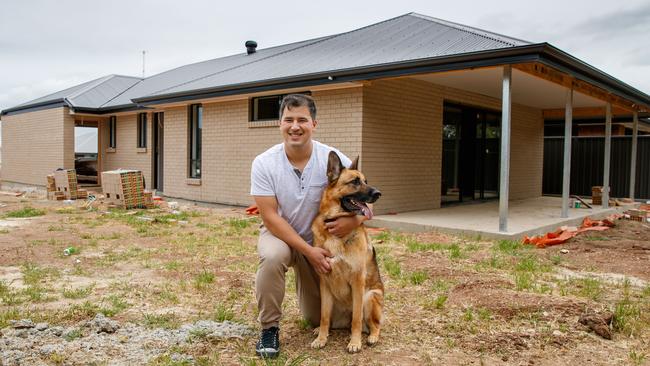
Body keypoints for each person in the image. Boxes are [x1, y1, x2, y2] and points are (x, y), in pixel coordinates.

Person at [250, 94, 368, 358]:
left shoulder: (332, 158)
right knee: (271, 256)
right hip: (282, 236)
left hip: (322, 244)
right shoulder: (264, 163)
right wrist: (308, 251)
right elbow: (269, 216)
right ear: (279, 123)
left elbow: (365, 198)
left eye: (302, 119)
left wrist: (353, 219)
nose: (295, 126)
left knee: (318, 320)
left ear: (314, 123)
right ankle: (269, 328)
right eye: (288, 119)